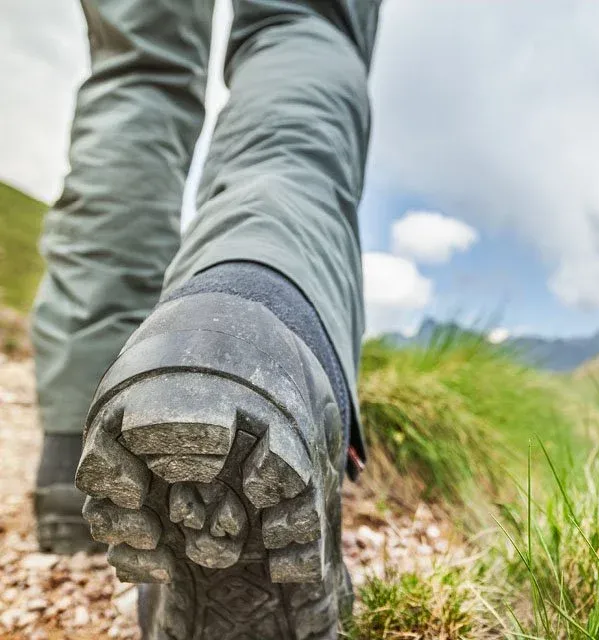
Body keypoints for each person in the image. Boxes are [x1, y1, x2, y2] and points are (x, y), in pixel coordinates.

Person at [30, 0, 378, 636]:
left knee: (140, 66)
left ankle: (72, 451)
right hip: (270, 312)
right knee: (301, 22)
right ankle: (259, 309)